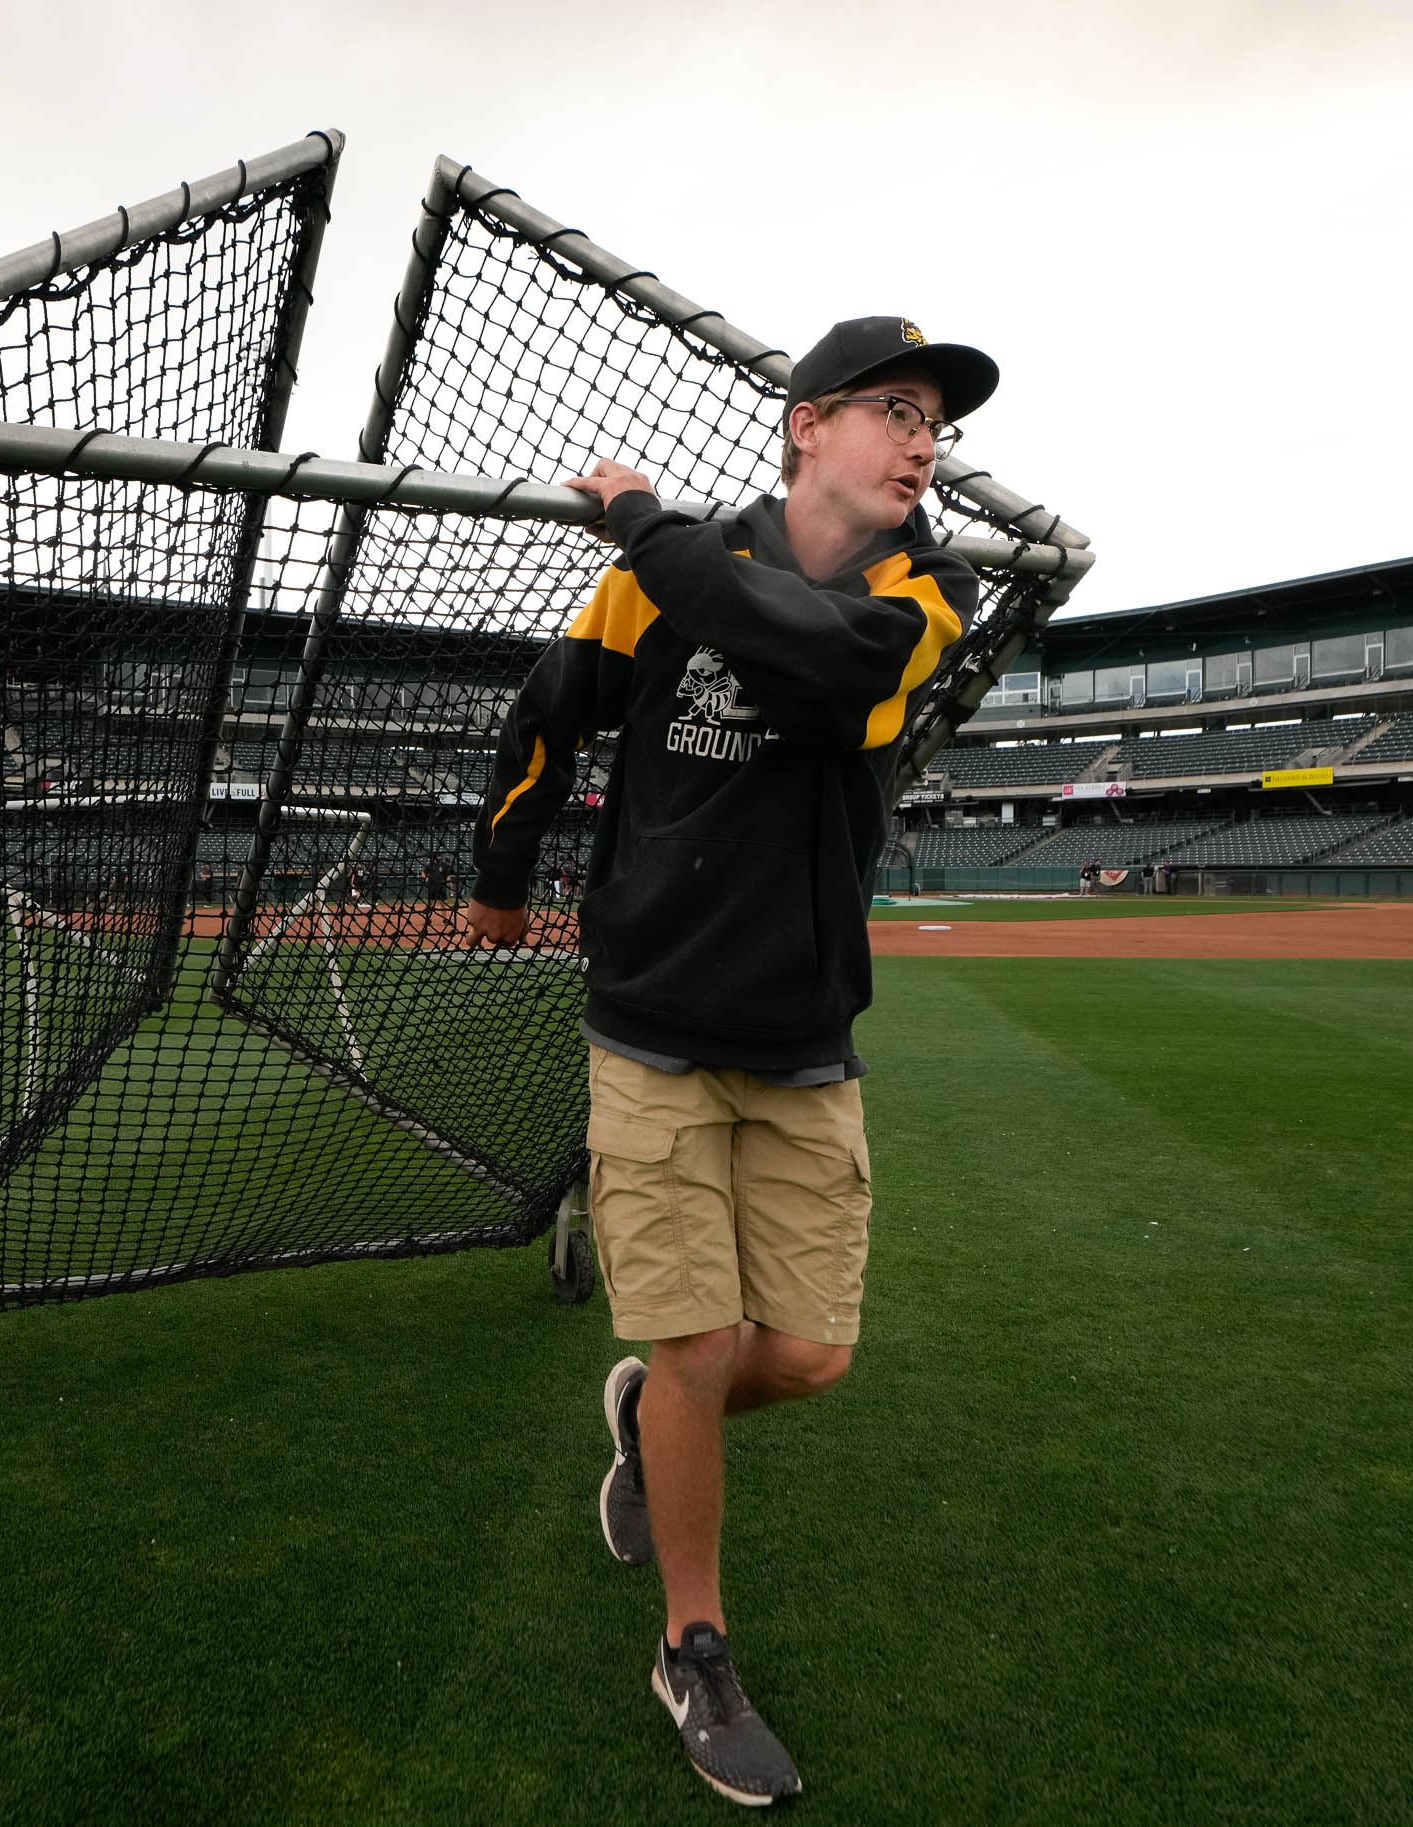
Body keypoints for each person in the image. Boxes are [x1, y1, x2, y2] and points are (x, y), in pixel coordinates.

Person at [463, 315, 988, 1806]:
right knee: (698, 1344)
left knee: (807, 1358)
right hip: (651, 1028)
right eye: (896, 409)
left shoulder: (928, 596)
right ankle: (693, 1644)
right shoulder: (654, 586)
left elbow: (804, 656)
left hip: (807, 1042)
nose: (925, 441)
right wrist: (502, 869)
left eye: (936, 423)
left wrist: (640, 517)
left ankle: (645, 1417)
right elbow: (547, 715)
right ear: (808, 424)